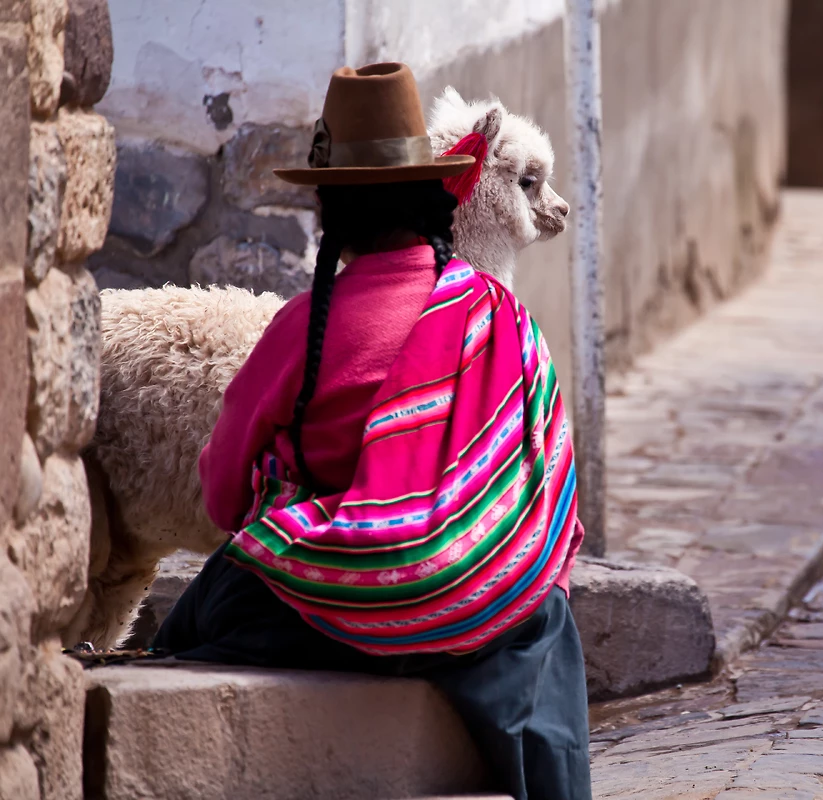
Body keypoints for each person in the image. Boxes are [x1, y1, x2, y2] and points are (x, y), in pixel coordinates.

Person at [152, 62, 591, 800]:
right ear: (435, 195)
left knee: (198, 614)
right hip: (478, 607)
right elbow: (545, 487)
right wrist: (456, 564)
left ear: (331, 212)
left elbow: (225, 495)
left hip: (313, 608)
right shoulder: (502, 320)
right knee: (543, 617)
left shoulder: (301, 329)